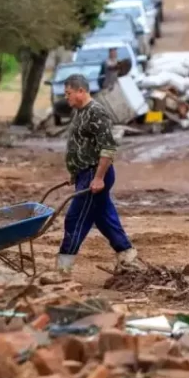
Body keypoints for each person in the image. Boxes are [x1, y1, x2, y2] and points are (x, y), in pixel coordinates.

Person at [57, 74, 137, 275]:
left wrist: (98, 178)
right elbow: (82, 145)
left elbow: (108, 149)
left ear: (81, 91)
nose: (66, 98)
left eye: (69, 93)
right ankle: (127, 254)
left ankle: (63, 268)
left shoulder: (96, 113)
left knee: (75, 219)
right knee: (103, 217)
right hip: (86, 174)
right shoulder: (80, 112)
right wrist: (75, 171)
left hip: (95, 173)